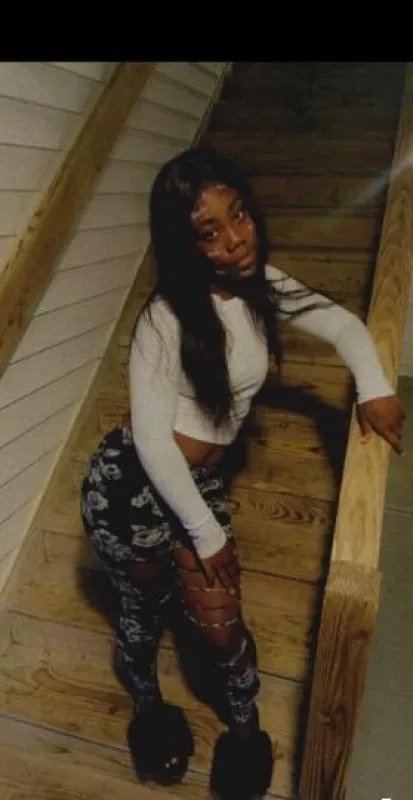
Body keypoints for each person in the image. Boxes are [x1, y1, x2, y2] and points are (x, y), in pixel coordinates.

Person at [80, 146, 405, 799]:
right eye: (210, 232)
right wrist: (205, 534)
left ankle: (246, 732)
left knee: (221, 624)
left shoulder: (260, 284)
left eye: (239, 215)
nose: (234, 239)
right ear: (185, 244)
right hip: (129, 489)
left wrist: (374, 387)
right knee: (143, 611)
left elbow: (341, 325)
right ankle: (149, 711)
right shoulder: (164, 318)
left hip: (194, 485)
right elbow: (152, 440)